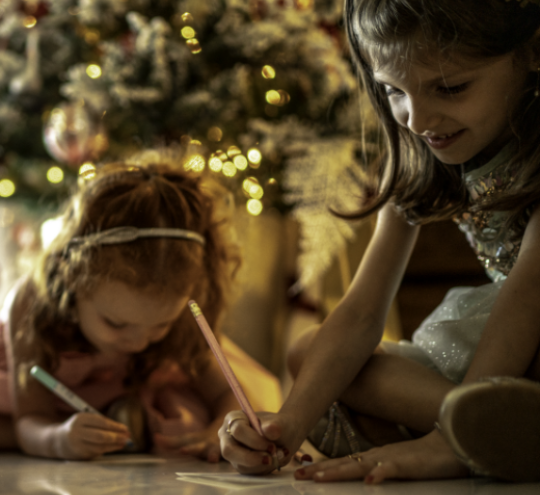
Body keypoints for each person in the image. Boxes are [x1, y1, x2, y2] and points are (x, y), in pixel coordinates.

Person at [219, 0, 540, 484]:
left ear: (533, 51)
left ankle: (478, 430)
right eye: (393, 91)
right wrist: (286, 426)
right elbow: (362, 313)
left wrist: (447, 443)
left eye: (450, 87)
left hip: (528, 332)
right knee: (309, 357)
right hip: (505, 365)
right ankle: (500, 427)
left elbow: (529, 296)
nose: (416, 119)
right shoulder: (422, 150)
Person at [0, 150, 281, 460]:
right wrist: (58, 439)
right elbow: (30, 417)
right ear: (71, 276)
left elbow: (226, 392)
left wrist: (220, 430)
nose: (137, 342)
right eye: (116, 323)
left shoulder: (183, 311)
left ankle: (126, 415)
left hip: (139, 387)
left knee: (188, 423)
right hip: (28, 397)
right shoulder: (29, 306)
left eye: (162, 324)